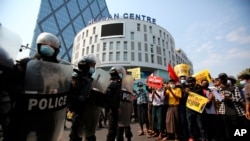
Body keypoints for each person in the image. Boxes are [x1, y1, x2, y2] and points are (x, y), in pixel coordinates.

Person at [6, 32, 73, 141]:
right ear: (38, 46)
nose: (48, 48)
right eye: (45, 46)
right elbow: (11, 84)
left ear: (56, 50)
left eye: (52, 47)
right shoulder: (26, 64)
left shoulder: (59, 70)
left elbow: (65, 90)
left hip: (48, 116)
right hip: (25, 113)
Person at [68, 54, 101, 141]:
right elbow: (71, 96)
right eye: (91, 66)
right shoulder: (76, 77)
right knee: (75, 136)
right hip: (78, 114)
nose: (93, 68)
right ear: (85, 65)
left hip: (89, 114)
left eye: (94, 66)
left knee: (90, 136)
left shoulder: (91, 80)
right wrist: (82, 98)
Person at [216, 73, 245, 141]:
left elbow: (239, 99)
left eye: (222, 78)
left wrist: (228, 98)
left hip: (234, 112)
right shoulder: (218, 89)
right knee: (227, 130)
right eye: (220, 78)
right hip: (223, 112)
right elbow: (218, 100)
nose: (221, 80)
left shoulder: (234, 87)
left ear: (226, 79)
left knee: (237, 130)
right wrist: (219, 97)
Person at [185, 76, 206, 141]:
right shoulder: (187, 89)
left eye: (191, 82)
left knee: (200, 125)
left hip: (197, 110)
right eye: (188, 82)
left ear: (194, 82)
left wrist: (190, 92)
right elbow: (184, 98)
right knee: (190, 124)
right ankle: (192, 137)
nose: (190, 83)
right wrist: (186, 93)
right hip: (189, 110)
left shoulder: (199, 88)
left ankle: (203, 137)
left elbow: (200, 96)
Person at [105, 66, 123, 141]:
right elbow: (108, 100)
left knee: (114, 131)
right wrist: (116, 108)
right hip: (113, 111)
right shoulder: (112, 85)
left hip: (114, 110)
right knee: (112, 132)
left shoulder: (115, 84)